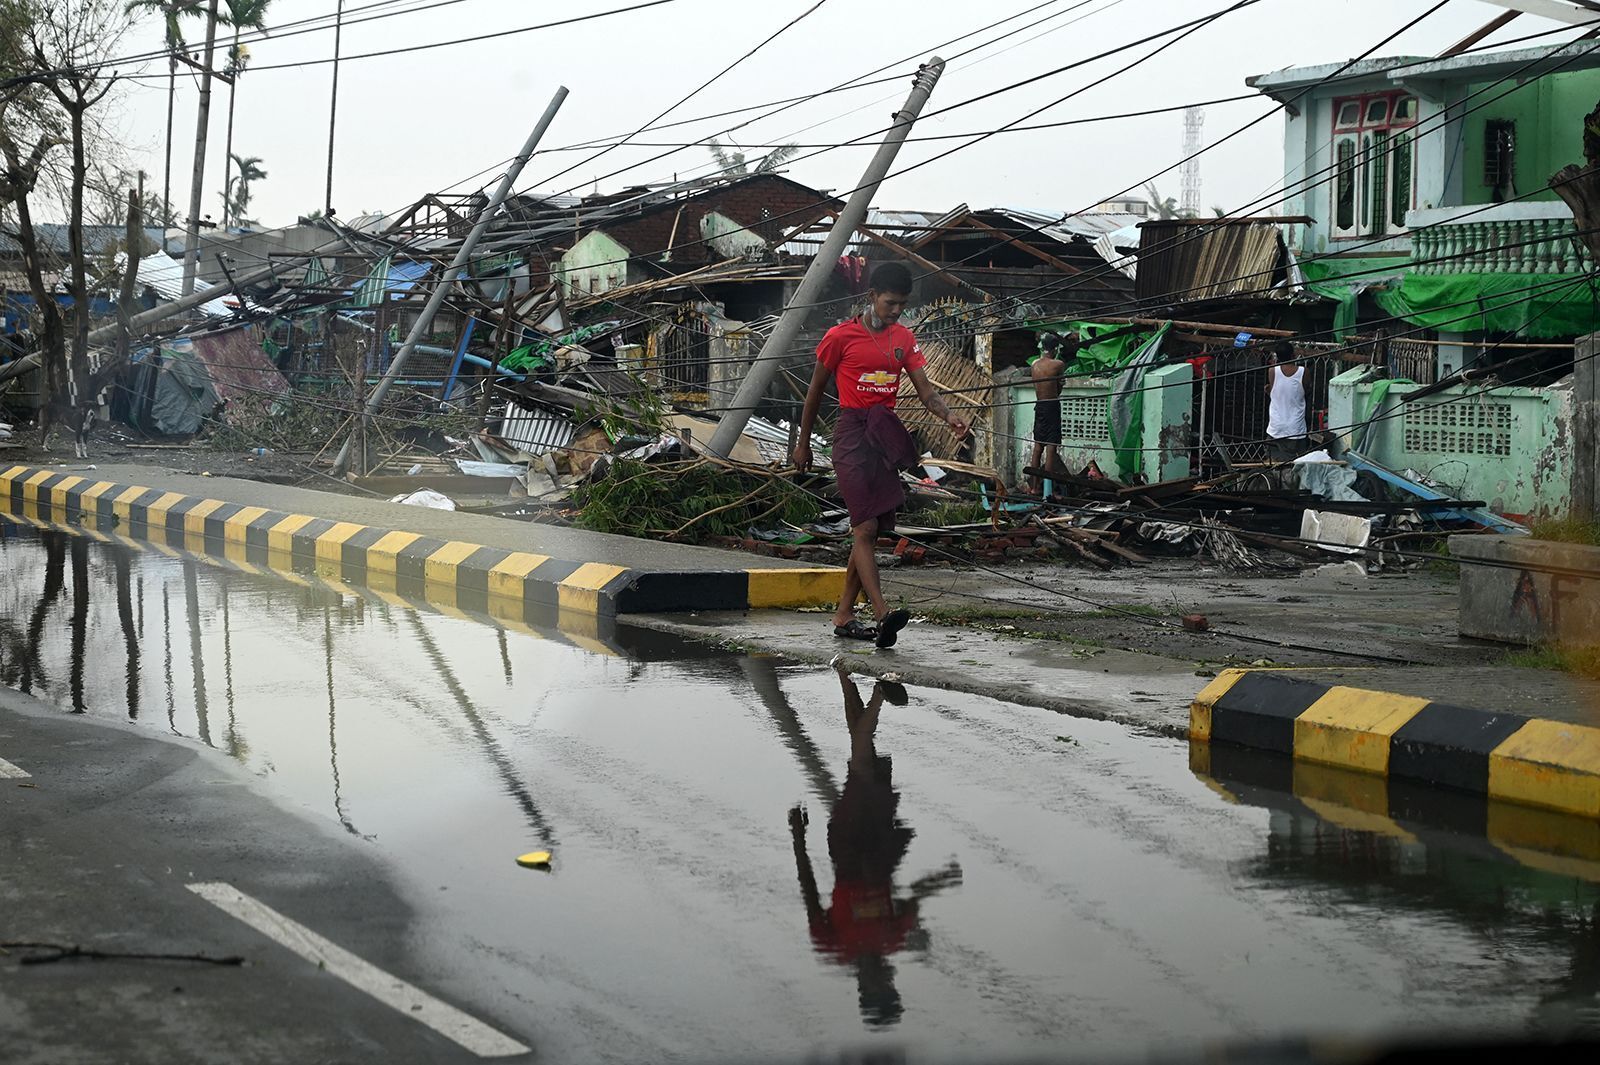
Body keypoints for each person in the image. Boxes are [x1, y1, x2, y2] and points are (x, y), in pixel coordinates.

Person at [793, 261, 968, 649]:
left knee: (869, 529)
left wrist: (950, 414)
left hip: (884, 432)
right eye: (890, 303)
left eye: (902, 305)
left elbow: (926, 391)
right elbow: (815, 393)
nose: (895, 311)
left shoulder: (904, 337)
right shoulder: (840, 337)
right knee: (865, 528)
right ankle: (881, 613)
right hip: (852, 433)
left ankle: (843, 615)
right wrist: (802, 443)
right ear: (871, 296)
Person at [788, 666, 963, 1028]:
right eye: (889, 984)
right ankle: (844, 674)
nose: (884, 979)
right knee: (861, 761)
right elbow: (912, 898)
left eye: (879, 986)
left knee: (862, 764)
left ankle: (880, 694)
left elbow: (809, 888)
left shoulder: (833, 946)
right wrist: (942, 879)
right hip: (882, 844)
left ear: (863, 988)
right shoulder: (893, 938)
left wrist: (798, 837)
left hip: (849, 844)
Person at [1026, 333, 1071, 496]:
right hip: (1052, 405)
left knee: (1038, 446)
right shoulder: (1058, 364)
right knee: (1051, 448)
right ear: (1055, 349)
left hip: (1039, 406)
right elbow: (1058, 389)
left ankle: (1033, 487)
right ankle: (1047, 490)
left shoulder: (1034, 364)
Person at [1264, 339, 1308, 462]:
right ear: (1293, 355)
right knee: (1295, 463)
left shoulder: (1272, 371)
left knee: (1273, 463)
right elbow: (1306, 391)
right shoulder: (1303, 372)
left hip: (1276, 427)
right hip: (1295, 428)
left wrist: (1268, 391)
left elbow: (1274, 393)